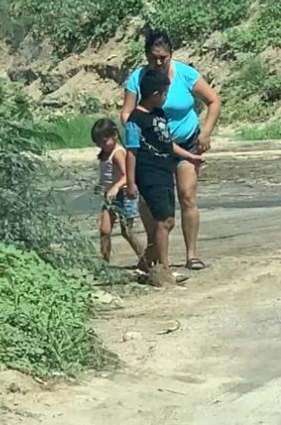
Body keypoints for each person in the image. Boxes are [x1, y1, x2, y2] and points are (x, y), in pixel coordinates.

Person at [121, 30, 221, 271]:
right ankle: (154, 247)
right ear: (146, 55)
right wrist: (139, 130)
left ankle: (191, 254)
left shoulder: (186, 74)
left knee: (187, 195)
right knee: (151, 202)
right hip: (152, 150)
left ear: (171, 54)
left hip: (186, 143)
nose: (158, 62)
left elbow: (214, 101)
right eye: (153, 57)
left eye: (163, 57)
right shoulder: (138, 78)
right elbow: (126, 112)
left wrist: (206, 132)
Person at [125, 69, 206, 286]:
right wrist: (131, 182)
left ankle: (146, 266)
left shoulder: (159, 115)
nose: (166, 98)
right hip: (148, 173)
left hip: (164, 169)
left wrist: (190, 157)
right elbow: (131, 151)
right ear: (153, 94)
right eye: (164, 94)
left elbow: (167, 144)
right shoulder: (136, 119)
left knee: (167, 222)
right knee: (164, 221)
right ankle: (164, 270)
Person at [91, 118, 144, 264]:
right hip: (109, 196)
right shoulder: (105, 154)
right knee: (104, 231)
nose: (102, 145)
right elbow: (107, 174)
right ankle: (105, 261)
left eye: (104, 141)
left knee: (127, 231)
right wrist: (101, 185)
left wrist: (116, 187)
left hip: (124, 195)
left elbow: (127, 176)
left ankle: (145, 258)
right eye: (98, 143)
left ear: (114, 136)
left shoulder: (118, 153)